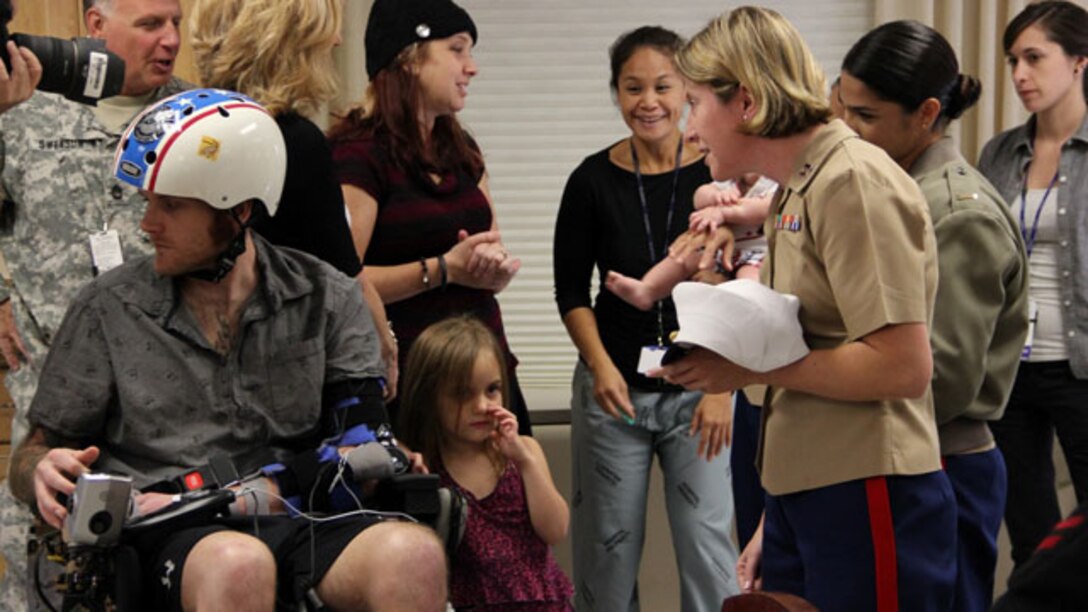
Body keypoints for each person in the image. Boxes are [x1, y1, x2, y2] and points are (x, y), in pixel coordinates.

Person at [8, 89, 448, 611]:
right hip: (168, 541)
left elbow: (370, 451)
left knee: (412, 552)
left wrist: (229, 498)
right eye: (148, 203)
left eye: (170, 206)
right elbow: (32, 452)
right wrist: (39, 469)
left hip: (293, 518)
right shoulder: (109, 307)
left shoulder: (325, 296)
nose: (148, 225)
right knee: (237, 564)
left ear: (237, 211)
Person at [660, 7, 954, 611]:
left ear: (744, 101)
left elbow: (902, 367)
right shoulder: (800, 185)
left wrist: (748, 370)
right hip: (805, 482)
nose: (689, 130)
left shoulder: (853, 182)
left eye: (694, 103)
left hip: (866, 482)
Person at [0, 0, 188, 606]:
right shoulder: (22, 106)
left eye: (176, 23)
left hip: (169, 402)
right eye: (151, 25)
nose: (170, 40)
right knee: (44, 575)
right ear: (96, 27)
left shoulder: (196, 118)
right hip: (49, 389)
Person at [837, 21, 1029, 612]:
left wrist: (826, 377)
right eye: (843, 108)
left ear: (925, 113)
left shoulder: (954, 212)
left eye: (865, 116)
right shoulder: (896, 190)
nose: (847, 129)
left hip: (941, 463)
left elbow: (941, 379)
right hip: (903, 455)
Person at [553, 25, 739, 611]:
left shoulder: (720, 173)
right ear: (616, 93)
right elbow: (570, 291)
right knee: (606, 556)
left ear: (688, 89)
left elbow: (744, 285)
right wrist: (601, 366)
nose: (649, 101)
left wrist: (724, 387)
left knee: (709, 552)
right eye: (633, 88)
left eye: (663, 85)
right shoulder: (590, 180)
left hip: (699, 391)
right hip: (615, 395)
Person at [330, 0, 529, 434]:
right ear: (409, 59)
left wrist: (491, 268)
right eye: (457, 50)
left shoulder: (461, 150)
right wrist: (443, 270)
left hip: (485, 368)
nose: (471, 67)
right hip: (417, 385)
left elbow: (488, 242)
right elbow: (343, 280)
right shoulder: (358, 155)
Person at [189, 0, 399, 397]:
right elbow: (342, 274)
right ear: (290, 42)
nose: (337, 41)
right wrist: (384, 343)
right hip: (283, 375)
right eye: (325, 31)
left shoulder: (199, 137)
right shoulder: (294, 145)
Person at [978, 0, 1088, 572]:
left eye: (1034, 58)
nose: (1019, 74)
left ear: (1078, 61)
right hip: (1009, 366)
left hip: (1081, 365)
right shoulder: (999, 153)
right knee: (1029, 534)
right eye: (1012, 60)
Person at [398, 315, 573, 610]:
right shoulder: (426, 468)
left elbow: (555, 530)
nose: (482, 406)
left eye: (492, 389)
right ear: (430, 397)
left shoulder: (523, 452)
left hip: (542, 601)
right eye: (462, 394)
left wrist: (526, 461)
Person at [605, 170, 777, 310]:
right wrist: (715, 197)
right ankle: (647, 289)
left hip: (756, 256)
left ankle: (748, 309)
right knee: (683, 256)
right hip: (718, 251)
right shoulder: (728, 182)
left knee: (749, 283)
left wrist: (723, 212)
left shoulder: (774, 183)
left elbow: (763, 209)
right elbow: (699, 194)